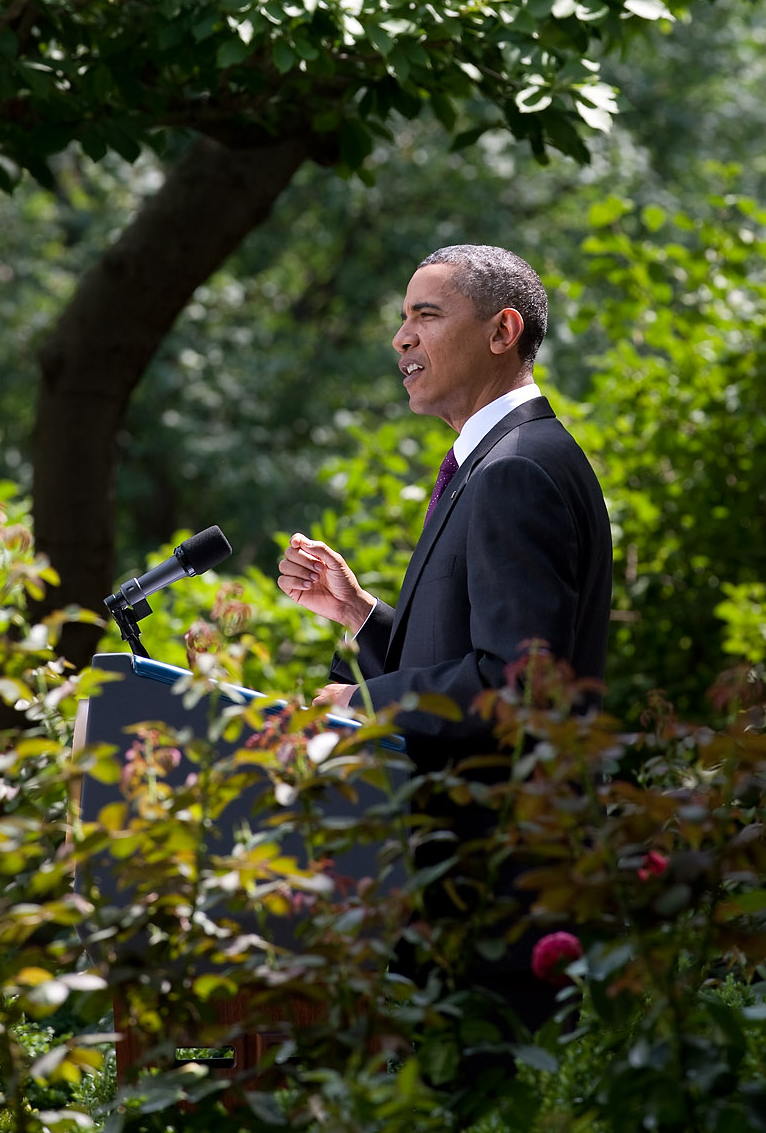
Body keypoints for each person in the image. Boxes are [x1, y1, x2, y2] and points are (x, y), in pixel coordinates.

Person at [276, 243, 612, 1031]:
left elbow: (516, 683)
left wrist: (363, 703)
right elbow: (478, 660)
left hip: (492, 879)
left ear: (502, 330)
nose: (401, 338)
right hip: (468, 875)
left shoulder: (515, 471)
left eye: (426, 315)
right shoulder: (495, 461)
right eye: (402, 317)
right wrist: (362, 616)